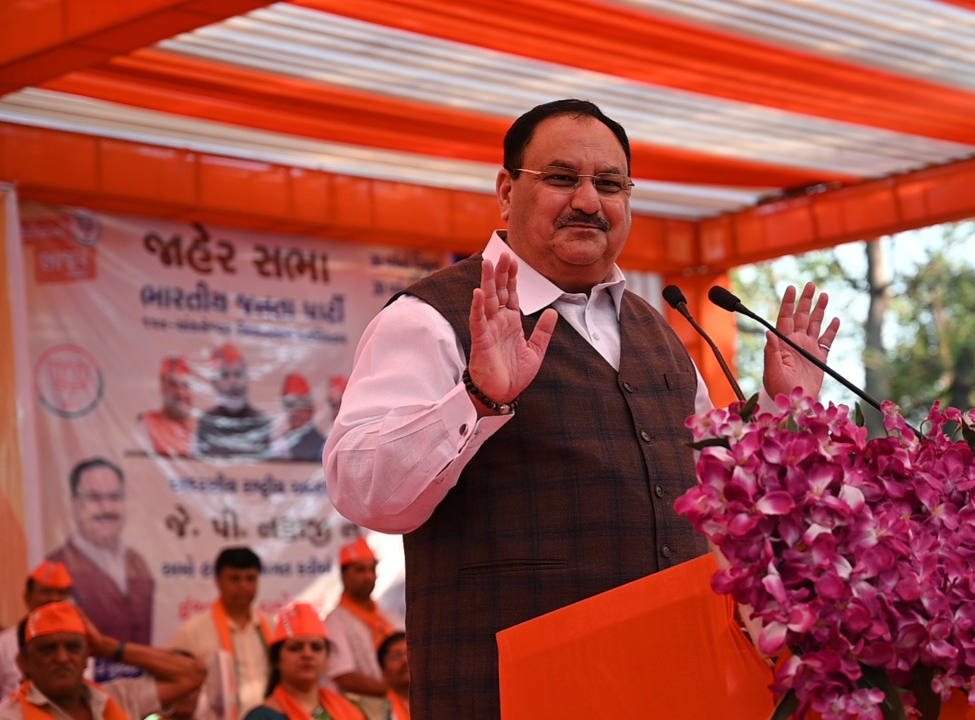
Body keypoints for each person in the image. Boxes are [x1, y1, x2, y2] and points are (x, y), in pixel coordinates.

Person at [324, 98, 839, 718]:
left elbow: (711, 501)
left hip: (674, 688)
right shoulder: (432, 315)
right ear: (507, 192)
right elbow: (362, 490)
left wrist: (782, 419)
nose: (589, 201)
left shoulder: (656, 329)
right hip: (509, 698)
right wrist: (478, 399)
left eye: (610, 184)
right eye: (562, 178)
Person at [0, 602, 204, 720]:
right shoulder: (9, 717)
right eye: (48, 649)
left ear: (88, 656)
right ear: (24, 663)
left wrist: (108, 647)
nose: (62, 657)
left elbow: (192, 675)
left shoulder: (117, 697)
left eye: (73, 647)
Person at [46, 458, 155, 652]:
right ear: (74, 503)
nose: (106, 508)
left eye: (114, 497)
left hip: (136, 680)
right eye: (94, 498)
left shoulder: (138, 563)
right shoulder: (55, 568)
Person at [168, 548, 271, 720]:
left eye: (250, 579)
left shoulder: (271, 625)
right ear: (218, 581)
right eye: (235, 578)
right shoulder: (194, 631)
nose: (243, 586)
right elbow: (171, 681)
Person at [242, 604, 364, 720]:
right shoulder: (262, 717)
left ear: (327, 657)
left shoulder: (348, 711)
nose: (307, 654)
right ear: (277, 660)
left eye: (316, 647)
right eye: (295, 648)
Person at [323, 539, 400, 720]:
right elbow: (344, 677)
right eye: (360, 570)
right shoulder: (335, 621)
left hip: (392, 707)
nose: (368, 576)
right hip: (356, 711)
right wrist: (395, 688)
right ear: (343, 576)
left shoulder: (389, 617)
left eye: (371, 569)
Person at [0, 562, 74, 704]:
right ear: (27, 597)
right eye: (46, 591)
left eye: (61, 592)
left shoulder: (79, 645)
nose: (54, 599)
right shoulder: (1, 647)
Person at [196, 344, 271, 459]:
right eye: (225, 375)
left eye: (238, 374)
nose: (233, 381)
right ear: (215, 383)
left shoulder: (261, 422)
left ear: (246, 379)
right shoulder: (206, 423)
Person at [137, 356, 197, 456]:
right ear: (162, 387)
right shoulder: (148, 423)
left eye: (185, 385)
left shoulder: (202, 428)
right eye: (173, 384)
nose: (181, 392)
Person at [271, 374, 324, 462]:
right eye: (289, 405)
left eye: (299, 403)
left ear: (310, 408)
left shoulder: (320, 445)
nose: (294, 412)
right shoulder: (281, 443)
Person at [374, 634, 406, 720]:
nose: (406, 661)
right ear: (383, 672)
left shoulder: (441, 701)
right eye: (397, 656)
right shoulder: (375, 712)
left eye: (411, 653)